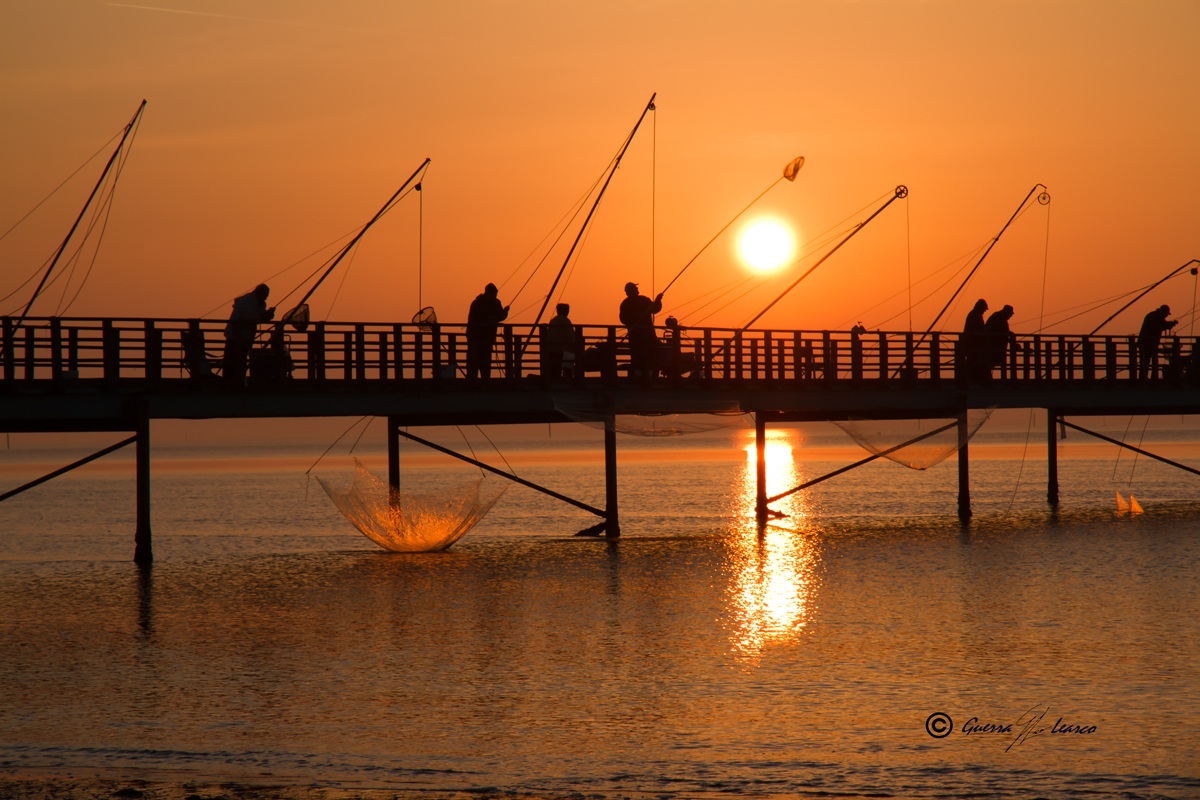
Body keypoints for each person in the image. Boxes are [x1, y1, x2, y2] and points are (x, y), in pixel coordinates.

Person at [223, 283, 274, 386]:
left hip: (244, 339)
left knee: (240, 362)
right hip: (235, 337)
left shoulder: (258, 303)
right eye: (265, 295)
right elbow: (253, 318)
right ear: (258, 293)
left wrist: (267, 315)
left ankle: (236, 381)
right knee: (232, 362)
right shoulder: (248, 302)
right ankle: (230, 383)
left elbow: (259, 316)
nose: (265, 298)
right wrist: (265, 316)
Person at [619, 281, 663, 379]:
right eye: (635, 289)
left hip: (649, 336)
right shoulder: (626, 304)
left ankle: (652, 377)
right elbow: (623, 319)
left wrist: (658, 300)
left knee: (653, 355)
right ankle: (639, 378)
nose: (637, 290)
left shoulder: (644, 300)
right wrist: (636, 317)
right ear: (630, 291)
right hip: (636, 336)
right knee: (637, 357)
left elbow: (655, 309)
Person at [466, 282, 509, 380]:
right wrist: (489, 319)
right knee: (474, 361)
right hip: (476, 338)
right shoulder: (478, 303)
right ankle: (472, 382)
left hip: (488, 339)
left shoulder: (496, 303)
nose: (495, 296)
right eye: (493, 294)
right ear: (488, 293)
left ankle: (485, 381)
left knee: (486, 362)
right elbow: (476, 318)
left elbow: (500, 316)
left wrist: (505, 312)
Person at [1137, 304, 1177, 381]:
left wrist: (1170, 324)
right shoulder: (1155, 317)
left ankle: (1147, 378)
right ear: (1163, 312)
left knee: (1147, 361)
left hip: (1149, 343)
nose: (1166, 316)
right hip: (1147, 343)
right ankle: (1146, 378)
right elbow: (1159, 326)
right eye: (1166, 314)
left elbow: (1163, 325)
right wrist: (1170, 324)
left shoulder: (1155, 316)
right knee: (1146, 361)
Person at [542, 302, 576, 380]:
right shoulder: (566, 321)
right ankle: (569, 379)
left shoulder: (553, 321)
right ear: (566, 311)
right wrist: (574, 347)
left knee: (554, 371)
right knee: (569, 364)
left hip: (551, 350)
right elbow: (570, 336)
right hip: (563, 351)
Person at [960, 298, 989, 383]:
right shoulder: (975, 315)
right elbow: (978, 329)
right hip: (973, 344)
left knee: (973, 361)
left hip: (972, 343)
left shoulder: (974, 314)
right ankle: (973, 379)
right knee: (973, 361)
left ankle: (973, 378)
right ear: (980, 308)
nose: (984, 311)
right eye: (984, 309)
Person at [983, 303, 1016, 377]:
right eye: (1010, 314)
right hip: (993, 348)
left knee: (989, 365)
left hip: (992, 347)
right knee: (989, 364)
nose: (1010, 316)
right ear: (1007, 313)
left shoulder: (997, 316)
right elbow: (1003, 331)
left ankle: (987, 377)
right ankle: (987, 379)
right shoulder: (1000, 318)